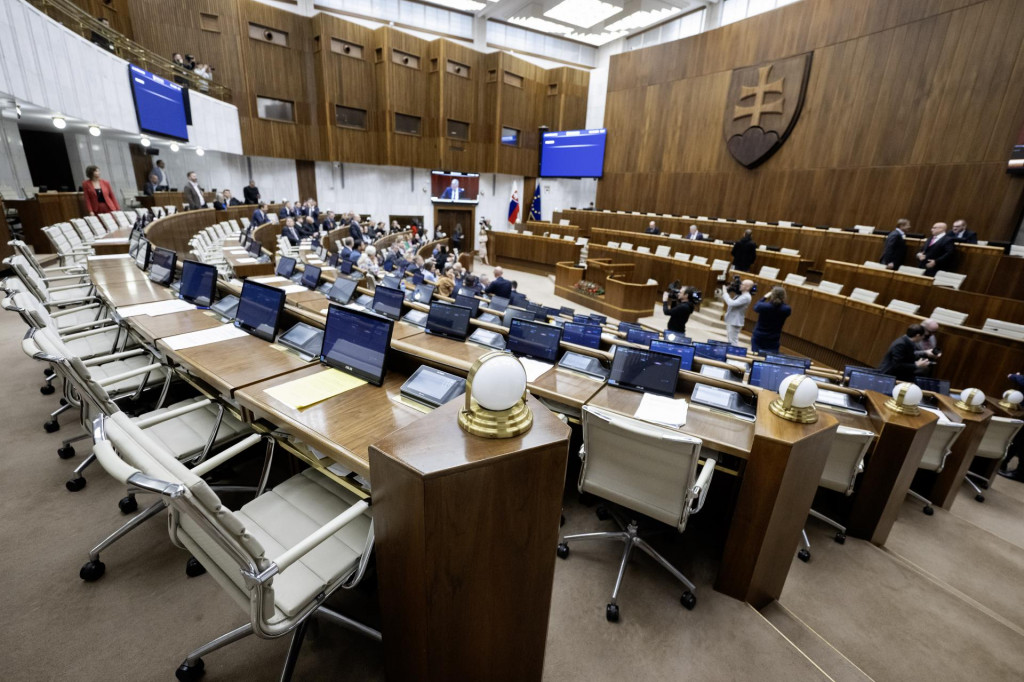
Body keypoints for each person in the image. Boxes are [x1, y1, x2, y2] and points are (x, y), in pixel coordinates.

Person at [750, 286, 791, 354]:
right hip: (773, 337)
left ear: (772, 295)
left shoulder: (763, 306)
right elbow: (783, 307)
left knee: (756, 355)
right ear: (784, 296)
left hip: (759, 336)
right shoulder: (786, 309)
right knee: (770, 357)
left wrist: (764, 297)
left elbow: (756, 307)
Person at [721, 279, 754, 345]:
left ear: (747, 287)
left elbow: (731, 303)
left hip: (735, 321)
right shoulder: (741, 294)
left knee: (733, 341)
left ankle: (734, 351)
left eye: (742, 284)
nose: (740, 285)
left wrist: (725, 293)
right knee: (730, 339)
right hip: (732, 319)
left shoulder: (746, 297)